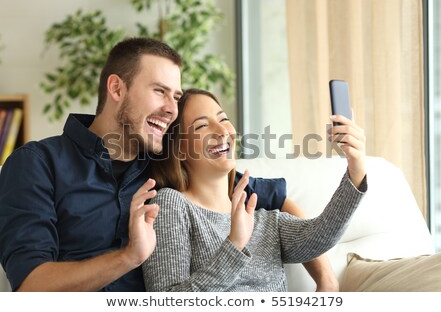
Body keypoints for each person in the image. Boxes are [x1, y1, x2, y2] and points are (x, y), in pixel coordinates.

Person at [0, 37, 336, 291]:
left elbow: (274, 199)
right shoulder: (36, 164)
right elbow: (31, 285)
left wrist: (327, 282)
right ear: (116, 88)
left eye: (175, 97)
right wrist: (129, 256)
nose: (171, 109)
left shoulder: (168, 164)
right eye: (160, 91)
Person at [142, 88, 367, 292]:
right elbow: (167, 301)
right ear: (179, 149)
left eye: (224, 119)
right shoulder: (170, 204)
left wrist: (355, 171)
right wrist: (235, 244)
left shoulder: (263, 220)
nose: (222, 131)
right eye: (202, 125)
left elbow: (319, 237)